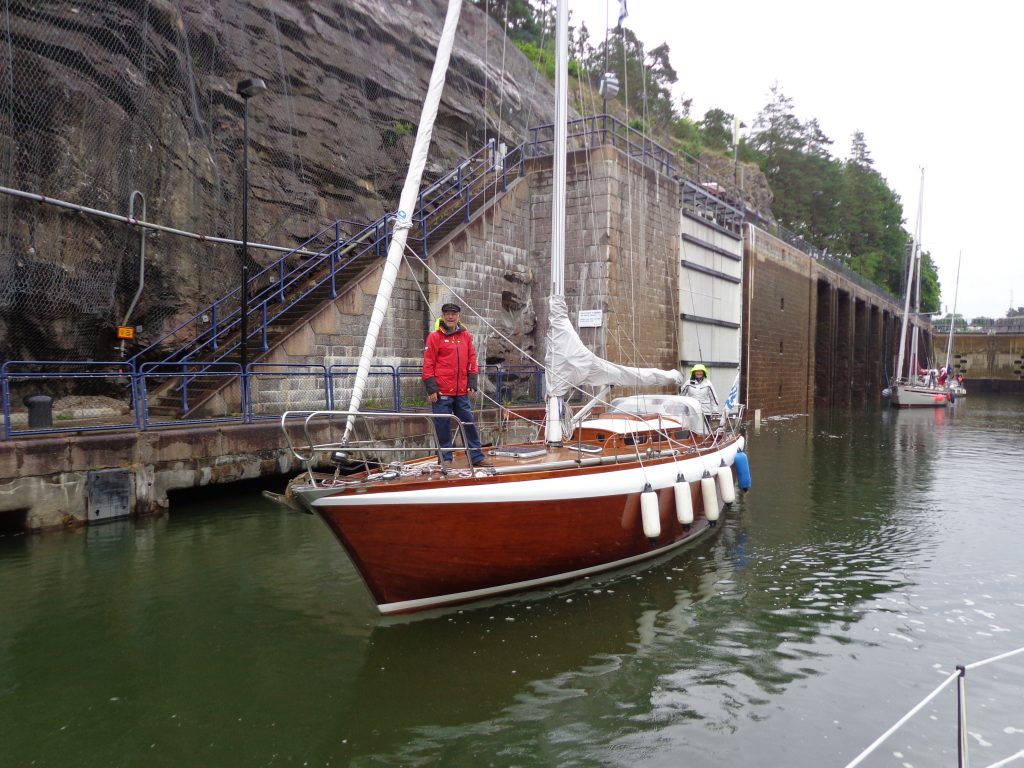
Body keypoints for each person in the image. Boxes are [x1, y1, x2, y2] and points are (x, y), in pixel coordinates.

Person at [422, 302, 490, 467]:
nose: (450, 316)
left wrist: (472, 382)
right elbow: (428, 363)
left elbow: (471, 360)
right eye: (447, 314)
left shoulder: (465, 336)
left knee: (468, 423)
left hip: (461, 391)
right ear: (443, 316)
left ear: (458, 316)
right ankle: (445, 458)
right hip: (442, 391)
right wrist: (432, 388)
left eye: (453, 314)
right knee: (442, 425)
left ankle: (476, 457)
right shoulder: (434, 337)